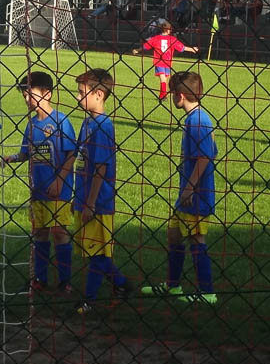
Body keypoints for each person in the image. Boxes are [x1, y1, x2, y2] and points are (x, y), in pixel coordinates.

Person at [141, 71, 218, 304]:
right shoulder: (195, 118)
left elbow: (205, 157)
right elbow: (212, 150)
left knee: (196, 239)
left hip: (196, 195)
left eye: (173, 92)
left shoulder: (198, 121)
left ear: (181, 95)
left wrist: (190, 188)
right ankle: (173, 286)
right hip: (188, 193)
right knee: (174, 235)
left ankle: (207, 293)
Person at [3, 71, 76, 296]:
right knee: (40, 234)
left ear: (48, 94)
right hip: (38, 191)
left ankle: (65, 281)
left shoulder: (61, 121)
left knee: (59, 232)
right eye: (24, 95)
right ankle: (40, 279)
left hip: (58, 191)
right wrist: (13, 157)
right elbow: (27, 153)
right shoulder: (31, 125)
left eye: (30, 94)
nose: (26, 99)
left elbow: (71, 154)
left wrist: (59, 180)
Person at [74, 69, 130, 314]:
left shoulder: (103, 126)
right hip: (84, 196)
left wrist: (90, 202)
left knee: (96, 252)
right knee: (93, 251)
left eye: (81, 93)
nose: (77, 97)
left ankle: (90, 299)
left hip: (98, 201)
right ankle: (121, 284)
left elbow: (100, 167)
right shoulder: (87, 122)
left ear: (98, 94)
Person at [133, 18, 199, 100]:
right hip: (167, 62)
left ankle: (163, 95)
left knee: (164, 79)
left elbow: (146, 46)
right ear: (168, 30)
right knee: (163, 78)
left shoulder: (156, 38)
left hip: (159, 61)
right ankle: (163, 95)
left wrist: (138, 50)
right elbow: (182, 48)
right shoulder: (172, 39)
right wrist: (192, 49)